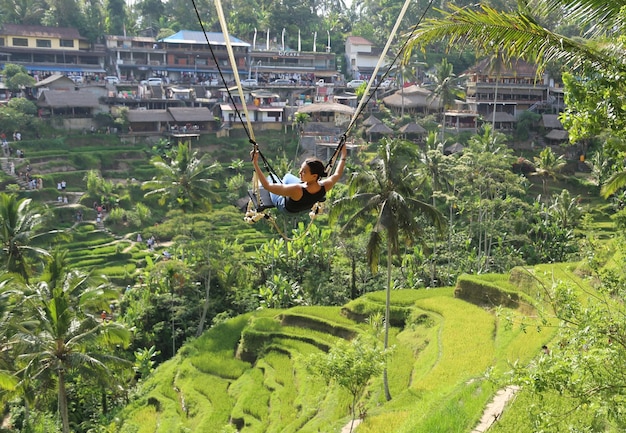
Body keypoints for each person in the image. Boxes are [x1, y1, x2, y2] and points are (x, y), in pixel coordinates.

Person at [250, 145, 347, 213]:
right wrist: (343, 155)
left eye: (304, 171)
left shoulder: (296, 189)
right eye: (301, 169)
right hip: (305, 203)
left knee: (272, 178)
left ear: (314, 176)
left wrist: (255, 163)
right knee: (288, 176)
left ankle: (281, 188)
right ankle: (283, 187)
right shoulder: (325, 185)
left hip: (286, 208)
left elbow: (267, 186)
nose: (300, 172)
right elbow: (337, 174)